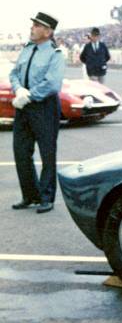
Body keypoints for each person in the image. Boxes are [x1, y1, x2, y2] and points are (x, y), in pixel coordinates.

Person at [9, 12, 65, 214]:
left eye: (36, 25)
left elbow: (52, 83)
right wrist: (19, 90)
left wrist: (29, 95)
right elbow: (14, 73)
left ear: (47, 31)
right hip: (23, 105)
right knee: (21, 151)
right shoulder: (27, 49)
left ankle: (46, 197)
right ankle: (30, 194)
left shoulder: (55, 53)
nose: (32, 28)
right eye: (33, 24)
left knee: (47, 153)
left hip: (44, 106)